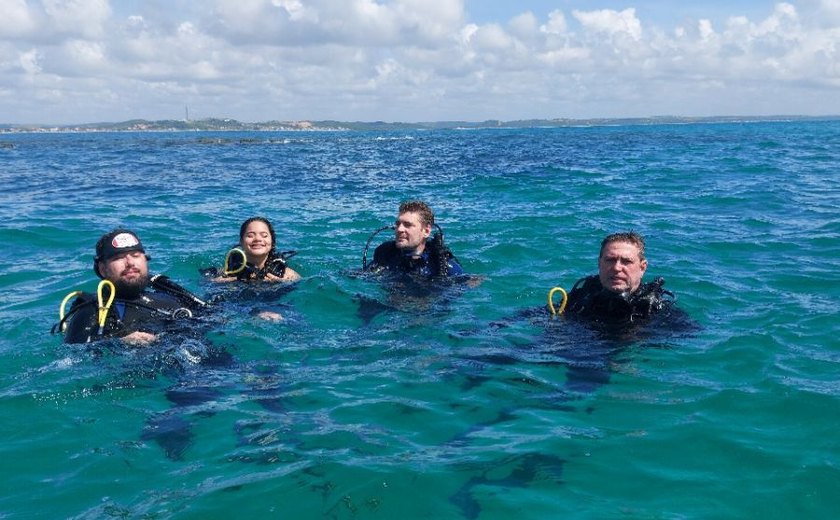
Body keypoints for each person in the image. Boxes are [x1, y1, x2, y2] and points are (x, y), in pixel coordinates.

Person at [59, 229, 207, 345]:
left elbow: (214, 317)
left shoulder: (169, 297)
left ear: (145, 260)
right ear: (102, 269)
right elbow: (76, 354)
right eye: (118, 258)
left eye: (136, 255)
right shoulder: (92, 310)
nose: (130, 263)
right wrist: (118, 342)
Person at [562, 231, 679, 324]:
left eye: (626, 261)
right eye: (610, 260)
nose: (617, 268)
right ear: (599, 263)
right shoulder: (577, 300)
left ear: (642, 267)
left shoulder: (658, 311)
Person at [365, 200, 464, 278]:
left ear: (426, 231)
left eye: (407, 225)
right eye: (398, 224)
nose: (399, 229)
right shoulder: (386, 255)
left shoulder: (443, 266)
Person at [210, 217, 300, 283]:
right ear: (241, 241)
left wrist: (286, 284)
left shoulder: (287, 275)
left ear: (272, 241)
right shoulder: (228, 272)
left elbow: (301, 285)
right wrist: (215, 284)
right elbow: (204, 282)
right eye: (250, 235)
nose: (257, 239)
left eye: (264, 235)